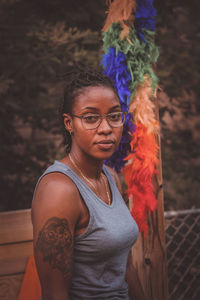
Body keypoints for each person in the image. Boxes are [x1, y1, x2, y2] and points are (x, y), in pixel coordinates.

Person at [31, 66, 145, 300]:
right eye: (91, 118)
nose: (106, 129)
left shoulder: (110, 177)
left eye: (114, 116)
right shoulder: (59, 190)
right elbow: (54, 294)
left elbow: (125, 267)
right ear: (69, 123)